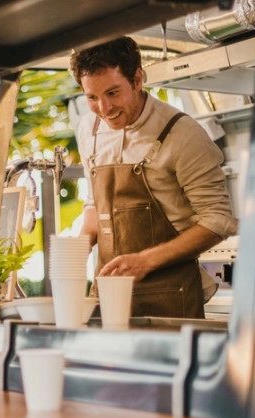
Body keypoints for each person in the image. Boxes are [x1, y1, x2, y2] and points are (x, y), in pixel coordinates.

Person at [70, 36, 238, 318]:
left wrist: (146, 260)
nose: (104, 109)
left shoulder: (182, 133)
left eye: (113, 93)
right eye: (92, 97)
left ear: (137, 79)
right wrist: (81, 245)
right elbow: (95, 202)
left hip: (171, 299)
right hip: (108, 296)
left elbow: (217, 220)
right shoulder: (90, 129)